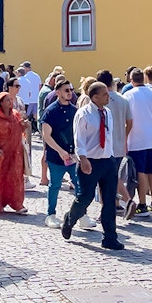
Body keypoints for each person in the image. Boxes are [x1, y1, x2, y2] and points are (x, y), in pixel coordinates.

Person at [61, 81, 124, 250]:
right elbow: (79, 139)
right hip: (89, 161)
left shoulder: (108, 112)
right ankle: (69, 220)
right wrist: (83, 159)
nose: (108, 96)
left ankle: (110, 237)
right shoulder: (84, 114)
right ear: (95, 97)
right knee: (85, 197)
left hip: (107, 161)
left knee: (110, 200)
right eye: (104, 94)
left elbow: (108, 135)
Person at [123, 68, 152, 217]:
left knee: (140, 172)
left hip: (136, 138)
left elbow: (126, 119)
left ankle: (142, 204)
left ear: (131, 80)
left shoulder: (129, 95)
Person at [42, 79, 84, 228]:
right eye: (66, 90)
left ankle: (81, 215)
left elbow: (79, 133)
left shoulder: (75, 110)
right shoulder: (50, 111)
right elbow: (47, 135)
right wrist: (60, 151)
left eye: (71, 90)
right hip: (56, 156)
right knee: (55, 185)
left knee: (79, 185)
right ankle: (51, 214)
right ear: (58, 92)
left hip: (73, 156)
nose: (70, 92)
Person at [95, 69, 134, 219]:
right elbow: (129, 122)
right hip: (119, 144)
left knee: (104, 179)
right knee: (115, 175)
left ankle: (114, 205)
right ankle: (116, 204)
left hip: (105, 145)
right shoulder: (123, 99)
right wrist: (124, 136)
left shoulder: (100, 100)